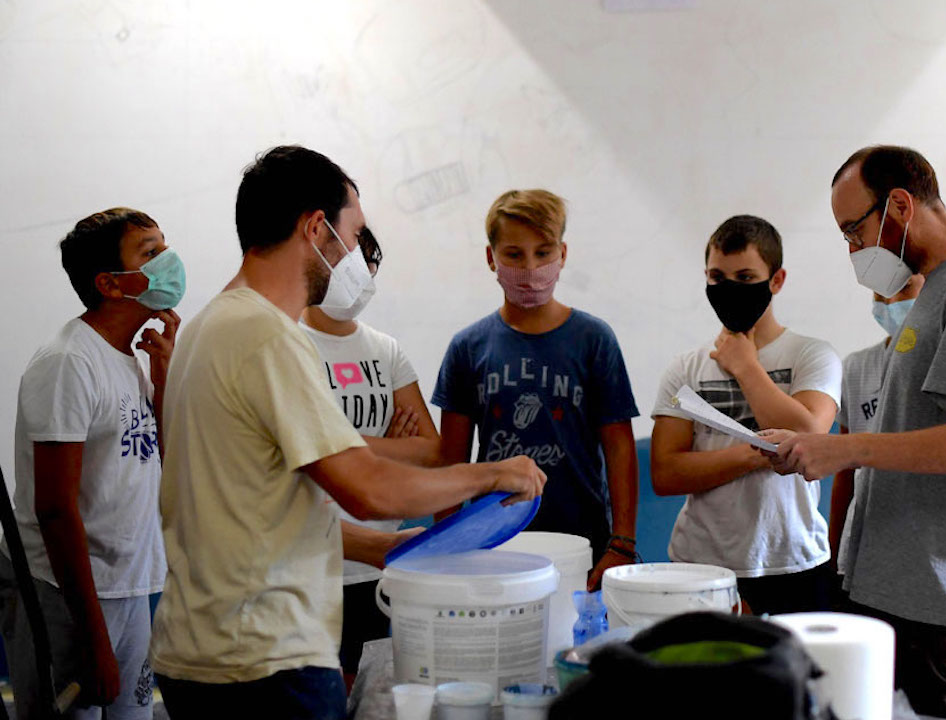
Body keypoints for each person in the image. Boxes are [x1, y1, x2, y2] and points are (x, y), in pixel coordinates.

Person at [149, 146, 545, 720]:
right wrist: (491, 473)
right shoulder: (268, 338)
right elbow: (369, 489)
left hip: (206, 651)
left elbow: (256, 510)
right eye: (353, 234)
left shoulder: (212, 327)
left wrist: (385, 546)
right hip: (259, 661)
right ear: (316, 229)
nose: (357, 254)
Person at [763, 145, 946, 720]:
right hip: (896, 584)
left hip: (937, 596)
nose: (855, 252)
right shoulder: (938, 288)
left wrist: (845, 449)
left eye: (854, 232)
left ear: (901, 206)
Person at [0, 208, 182, 719]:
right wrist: (93, 638)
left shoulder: (128, 358)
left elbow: (161, 458)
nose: (169, 262)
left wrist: (164, 375)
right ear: (110, 284)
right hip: (67, 595)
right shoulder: (69, 363)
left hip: (127, 582)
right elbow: (55, 510)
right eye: (150, 253)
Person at [432, 189, 639, 590]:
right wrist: (448, 549)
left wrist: (623, 544)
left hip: (583, 543)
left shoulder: (594, 339)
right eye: (514, 254)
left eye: (543, 253)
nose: (530, 267)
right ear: (491, 257)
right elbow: (451, 463)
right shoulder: (467, 347)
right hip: (493, 545)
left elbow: (619, 446)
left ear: (563, 253)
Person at [650, 215, 841, 616]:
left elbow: (809, 434)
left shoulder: (812, 355)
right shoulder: (685, 368)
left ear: (776, 280)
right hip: (699, 564)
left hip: (793, 559)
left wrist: (746, 367)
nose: (730, 289)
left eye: (745, 276)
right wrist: (756, 453)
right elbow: (666, 473)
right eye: (717, 277)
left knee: (791, 678)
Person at [299, 223, 436, 690]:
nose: (354, 273)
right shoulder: (288, 343)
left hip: (379, 566)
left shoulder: (386, 350)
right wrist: (389, 447)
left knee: (372, 694)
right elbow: (294, 451)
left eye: (364, 263)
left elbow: (431, 452)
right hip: (308, 566)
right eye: (343, 261)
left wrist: (340, 438)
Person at [829, 274, 924, 585]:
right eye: (880, 294)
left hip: (922, 552)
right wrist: (833, 553)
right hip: (865, 547)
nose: (891, 302)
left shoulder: (945, 364)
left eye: (905, 288)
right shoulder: (857, 368)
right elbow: (846, 473)